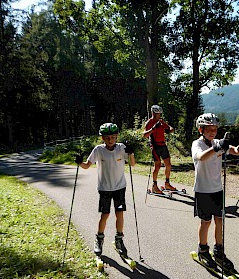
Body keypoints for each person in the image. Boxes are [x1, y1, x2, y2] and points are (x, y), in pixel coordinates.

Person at [191, 113, 239, 270]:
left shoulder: (218, 142)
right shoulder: (197, 144)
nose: (212, 132)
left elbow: (236, 151)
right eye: (209, 129)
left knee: (219, 220)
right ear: (200, 129)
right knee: (206, 221)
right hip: (203, 190)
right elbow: (201, 157)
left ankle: (219, 251)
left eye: (215, 129)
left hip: (217, 189)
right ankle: (203, 250)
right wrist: (216, 147)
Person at [75, 123, 135, 257]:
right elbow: (86, 166)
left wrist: (131, 153)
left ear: (117, 136)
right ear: (102, 138)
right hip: (105, 189)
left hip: (119, 187)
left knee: (120, 214)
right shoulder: (98, 150)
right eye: (107, 137)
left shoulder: (121, 148)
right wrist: (79, 162)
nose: (110, 140)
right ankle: (99, 239)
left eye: (113, 137)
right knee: (105, 214)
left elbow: (132, 164)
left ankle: (119, 240)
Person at [143, 104, 176, 194]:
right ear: (153, 113)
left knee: (168, 165)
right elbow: (145, 135)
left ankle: (167, 183)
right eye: (158, 114)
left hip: (163, 145)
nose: (159, 116)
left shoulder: (161, 121)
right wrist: (153, 128)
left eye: (160, 114)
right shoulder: (149, 122)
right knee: (157, 166)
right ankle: (154, 186)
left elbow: (170, 128)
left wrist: (169, 130)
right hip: (155, 146)